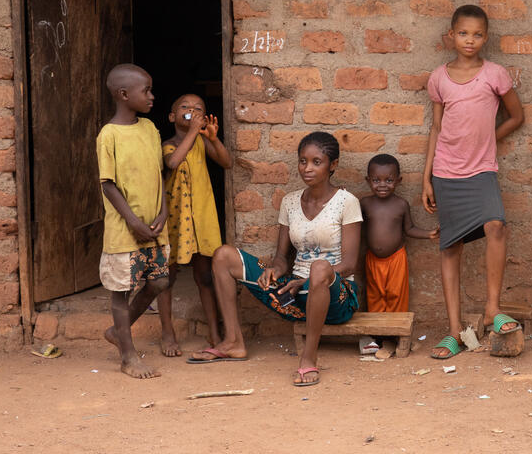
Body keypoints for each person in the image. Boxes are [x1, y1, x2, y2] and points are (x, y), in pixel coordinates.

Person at [188, 132, 361, 387]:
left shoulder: (347, 202)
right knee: (224, 255)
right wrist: (275, 271)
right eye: (303, 161)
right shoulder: (290, 202)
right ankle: (233, 341)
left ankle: (308, 357)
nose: (307, 168)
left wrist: (306, 282)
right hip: (294, 295)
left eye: (317, 162)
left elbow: (349, 265)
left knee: (320, 268)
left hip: (336, 298)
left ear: (332, 165)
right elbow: (282, 256)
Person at [421, 4, 525, 359]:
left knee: (496, 225)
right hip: (446, 171)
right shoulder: (439, 78)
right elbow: (436, 128)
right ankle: (453, 332)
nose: (470, 40)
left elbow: (517, 115)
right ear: (451, 35)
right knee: (450, 247)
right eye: (463, 33)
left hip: (482, 169)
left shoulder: (494, 74)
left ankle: (492, 309)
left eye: (477, 34)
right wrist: (426, 179)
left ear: (486, 37)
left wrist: (490, 139)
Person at [96, 63, 170, 379]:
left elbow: (158, 174)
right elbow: (108, 184)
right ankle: (128, 356)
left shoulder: (150, 129)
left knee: (160, 281)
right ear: (124, 95)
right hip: (124, 231)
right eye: (146, 91)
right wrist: (133, 223)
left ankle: (117, 331)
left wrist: (164, 211)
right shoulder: (109, 135)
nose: (152, 96)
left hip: (155, 226)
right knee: (121, 292)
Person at [156, 94, 232, 357]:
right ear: (171, 116)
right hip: (174, 222)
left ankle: (214, 332)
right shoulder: (166, 145)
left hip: (200, 219)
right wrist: (192, 132)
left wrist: (211, 137)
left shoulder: (200, 142)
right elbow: (173, 162)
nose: (192, 110)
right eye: (185, 107)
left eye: (199, 108)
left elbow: (226, 162)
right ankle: (167, 333)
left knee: (205, 277)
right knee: (167, 277)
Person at [358, 153, 439, 354]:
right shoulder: (365, 204)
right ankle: (376, 335)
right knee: (375, 295)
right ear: (368, 180)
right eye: (376, 180)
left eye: (389, 180)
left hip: (396, 258)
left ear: (398, 181)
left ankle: (396, 333)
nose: (382, 185)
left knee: (396, 294)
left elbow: (409, 229)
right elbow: (356, 229)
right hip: (372, 259)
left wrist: (428, 234)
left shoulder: (401, 204)